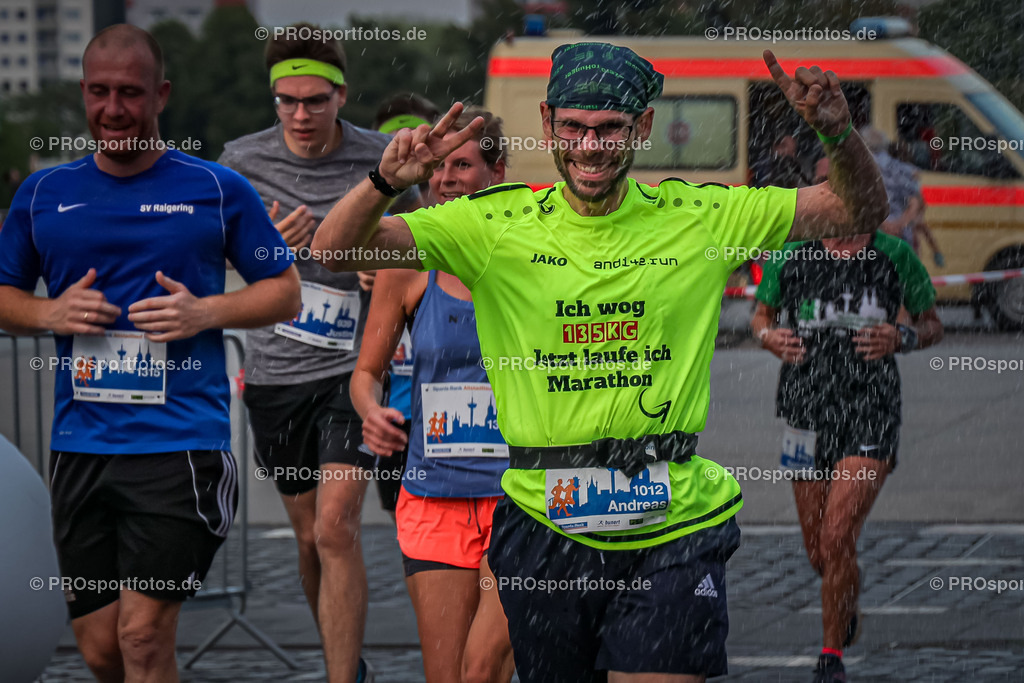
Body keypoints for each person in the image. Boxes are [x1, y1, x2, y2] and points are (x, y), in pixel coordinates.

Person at [310, 42, 889, 682]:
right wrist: (384, 182)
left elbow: (857, 210)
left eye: (610, 128)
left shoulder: (702, 214)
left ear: (642, 126)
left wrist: (838, 134)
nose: (590, 146)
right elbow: (333, 252)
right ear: (548, 121)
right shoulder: (493, 224)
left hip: (672, 525)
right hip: (543, 522)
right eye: (575, 128)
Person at [0, 24, 300, 682]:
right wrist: (48, 311)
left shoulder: (215, 189)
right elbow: (4, 296)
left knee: (140, 636)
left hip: (179, 448)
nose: (113, 109)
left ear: (160, 94)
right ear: (83, 93)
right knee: (101, 646)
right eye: (100, 92)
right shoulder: (43, 195)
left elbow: (285, 293)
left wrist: (205, 310)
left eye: (130, 93)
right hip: (81, 448)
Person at [217, 23, 417, 683]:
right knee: (308, 538)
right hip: (276, 374)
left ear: (341, 95)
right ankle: (345, 656)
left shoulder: (382, 155)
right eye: (287, 101)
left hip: (349, 370)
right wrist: (267, 252)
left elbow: (416, 245)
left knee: (336, 527)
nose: (301, 115)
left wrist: (371, 266)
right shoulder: (240, 162)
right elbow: (214, 263)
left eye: (316, 100)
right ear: (273, 98)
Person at [351, 106, 515, 683]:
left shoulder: (529, 256)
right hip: (432, 495)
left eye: (462, 164)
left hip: (518, 498)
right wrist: (371, 411)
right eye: (438, 167)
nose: (445, 178)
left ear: (496, 173)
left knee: (484, 669)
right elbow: (365, 373)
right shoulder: (407, 264)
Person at [751, 220, 942, 681]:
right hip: (803, 410)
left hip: (871, 408)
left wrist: (904, 337)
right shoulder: (790, 255)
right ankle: (845, 602)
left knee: (837, 536)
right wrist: (767, 337)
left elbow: (932, 323)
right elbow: (761, 316)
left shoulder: (895, 255)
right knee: (820, 552)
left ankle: (830, 657)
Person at [369, 92, 440, 519]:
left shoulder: (454, 215)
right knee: (407, 531)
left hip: (460, 413)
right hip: (397, 404)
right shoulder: (364, 204)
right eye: (393, 141)